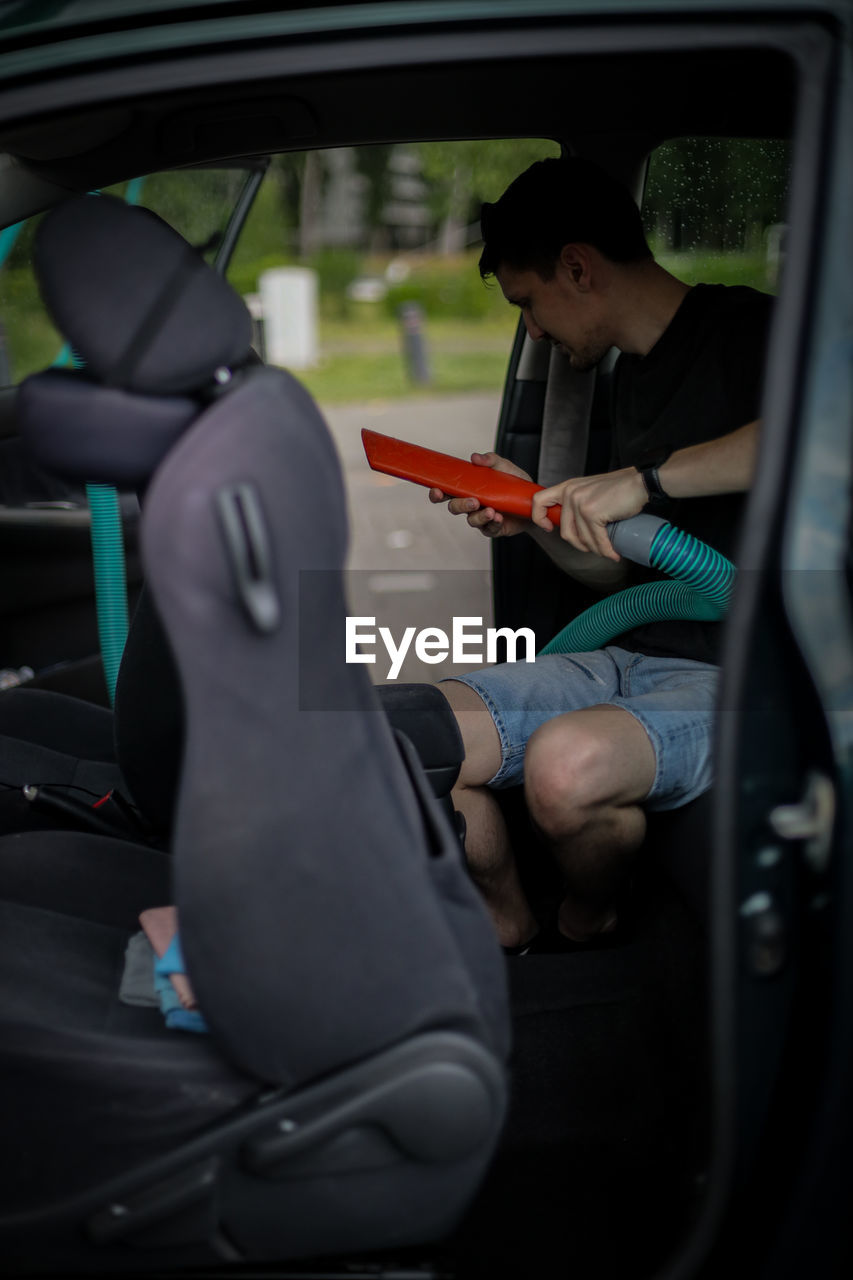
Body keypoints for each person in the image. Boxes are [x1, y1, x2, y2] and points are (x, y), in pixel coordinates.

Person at [430, 156, 772, 952]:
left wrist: (645, 481)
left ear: (577, 267)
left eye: (529, 304)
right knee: (416, 734)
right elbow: (621, 578)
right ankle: (507, 918)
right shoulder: (632, 378)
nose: (535, 331)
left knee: (564, 765)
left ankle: (591, 919)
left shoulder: (755, 334)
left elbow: (820, 433)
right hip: (627, 655)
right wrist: (537, 520)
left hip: (754, 673)